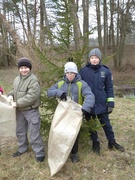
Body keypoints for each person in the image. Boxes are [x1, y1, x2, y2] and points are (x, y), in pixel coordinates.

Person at [47, 62, 95, 163]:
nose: (69, 75)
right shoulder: (60, 84)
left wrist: (85, 108)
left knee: (74, 134)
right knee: (61, 132)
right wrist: (59, 93)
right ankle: (61, 151)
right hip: (63, 114)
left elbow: (90, 96)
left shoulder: (81, 84)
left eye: (72, 73)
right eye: (67, 73)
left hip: (75, 114)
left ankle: (74, 153)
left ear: (76, 73)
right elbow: (49, 92)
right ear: (65, 73)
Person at [79, 48, 125, 154]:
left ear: (99, 59)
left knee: (106, 124)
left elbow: (109, 88)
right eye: (92, 57)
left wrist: (110, 103)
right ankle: (95, 143)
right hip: (89, 104)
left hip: (102, 104)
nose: (94, 60)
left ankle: (112, 142)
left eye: (96, 58)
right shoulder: (83, 71)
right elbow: (74, 81)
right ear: (89, 59)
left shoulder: (105, 71)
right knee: (92, 125)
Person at [7, 57, 45, 162]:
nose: (24, 70)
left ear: (30, 68)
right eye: (22, 68)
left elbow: (32, 97)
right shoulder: (16, 79)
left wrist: (17, 103)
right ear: (19, 69)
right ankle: (22, 149)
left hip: (31, 111)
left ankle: (39, 153)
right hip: (19, 111)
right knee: (20, 131)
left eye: (26, 68)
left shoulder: (33, 80)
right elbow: (13, 90)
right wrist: (10, 95)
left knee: (34, 133)